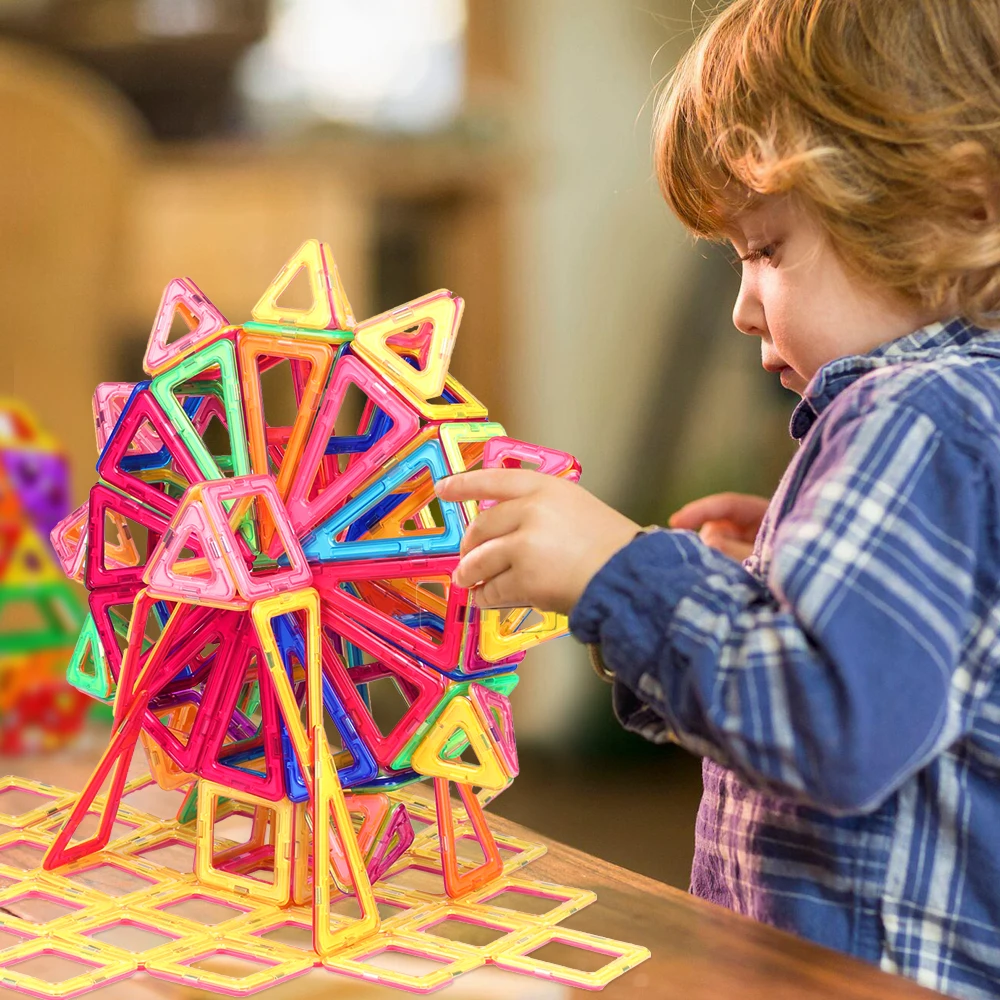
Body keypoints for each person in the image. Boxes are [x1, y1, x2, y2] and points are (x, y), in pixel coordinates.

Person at [434, 1, 1000, 997]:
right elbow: (909, 674)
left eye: (766, 249)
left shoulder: (917, 416)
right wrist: (763, 583)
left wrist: (621, 573)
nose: (742, 306)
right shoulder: (967, 409)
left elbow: (833, 723)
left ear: (953, 208)